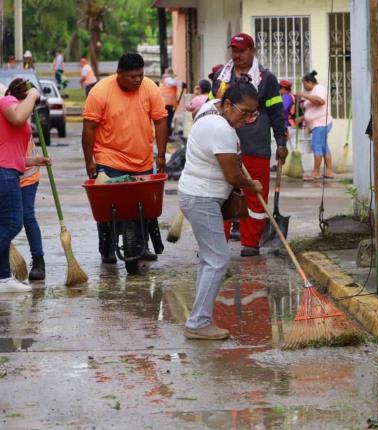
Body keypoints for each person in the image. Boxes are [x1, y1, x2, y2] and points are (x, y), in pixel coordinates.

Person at [178, 80, 262, 339]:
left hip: (196, 195)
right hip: (201, 199)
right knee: (218, 261)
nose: (247, 119)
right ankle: (198, 323)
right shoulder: (220, 129)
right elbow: (233, 177)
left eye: (253, 114)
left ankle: (199, 319)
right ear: (226, 104)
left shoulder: (210, 108)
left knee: (209, 260)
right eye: (243, 112)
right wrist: (252, 184)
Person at [82, 52, 169, 264]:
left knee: (145, 206)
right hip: (109, 158)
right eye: (132, 76)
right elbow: (89, 128)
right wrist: (89, 160)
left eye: (140, 75)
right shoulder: (100, 92)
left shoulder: (149, 88)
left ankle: (142, 245)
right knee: (107, 207)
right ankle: (107, 248)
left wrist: (160, 154)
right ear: (119, 73)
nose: (138, 80)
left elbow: (160, 121)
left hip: (142, 160)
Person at [210, 33, 287, 257]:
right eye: (234, 49)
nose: (237, 54)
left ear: (252, 51)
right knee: (221, 195)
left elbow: (276, 113)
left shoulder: (267, 79)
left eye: (242, 50)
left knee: (254, 194)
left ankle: (251, 243)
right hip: (224, 147)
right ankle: (218, 243)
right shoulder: (220, 77)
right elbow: (211, 107)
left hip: (256, 146)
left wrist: (281, 142)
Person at [0, 79, 51, 292]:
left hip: (10, 170)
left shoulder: (15, 108)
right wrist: (33, 95)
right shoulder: (7, 102)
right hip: (4, 173)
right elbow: (19, 116)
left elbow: (9, 150)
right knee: (13, 223)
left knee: (4, 223)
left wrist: (33, 161)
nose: (31, 112)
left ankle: (3, 280)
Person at [298, 70, 334, 180]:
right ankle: (329, 171)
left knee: (316, 146)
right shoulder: (314, 91)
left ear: (309, 82)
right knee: (323, 147)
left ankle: (316, 172)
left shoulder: (319, 89)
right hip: (318, 124)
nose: (304, 88)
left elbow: (320, 101)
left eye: (304, 85)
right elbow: (313, 110)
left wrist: (304, 95)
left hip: (321, 123)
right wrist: (303, 118)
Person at [19, 138, 45, 281]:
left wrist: (36, 161)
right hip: (6, 172)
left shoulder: (19, 116)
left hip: (27, 175)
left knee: (27, 216)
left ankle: (38, 261)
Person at [161, 68, 180, 134]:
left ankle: (167, 133)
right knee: (169, 119)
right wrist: (178, 81)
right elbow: (175, 83)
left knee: (168, 119)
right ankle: (168, 134)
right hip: (168, 103)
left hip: (167, 103)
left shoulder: (165, 80)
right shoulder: (168, 79)